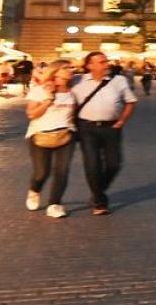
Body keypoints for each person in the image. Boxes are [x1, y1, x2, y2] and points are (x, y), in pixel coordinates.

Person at [73, 51, 139, 216]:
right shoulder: (78, 81)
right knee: (92, 165)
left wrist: (122, 121)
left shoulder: (119, 80)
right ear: (89, 65)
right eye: (101, 62)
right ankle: (100, 202)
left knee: (114, 164)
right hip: (86, 127)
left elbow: (131, 102)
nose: (106, 64)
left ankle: (97, 190)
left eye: (106, 61)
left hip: (111, 127)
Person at [25, 61, 78, 218]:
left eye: (71, 68)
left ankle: (54, 204)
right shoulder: (40, 90)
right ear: (55, 71)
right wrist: (48, 100)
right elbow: (31, 114)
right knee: (42, 172)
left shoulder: (72, 91)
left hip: (66, 135)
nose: (70, 70)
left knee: (62, 171)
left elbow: (73, 113)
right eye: (66, 68)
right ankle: (35, 190)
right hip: (40, 134)